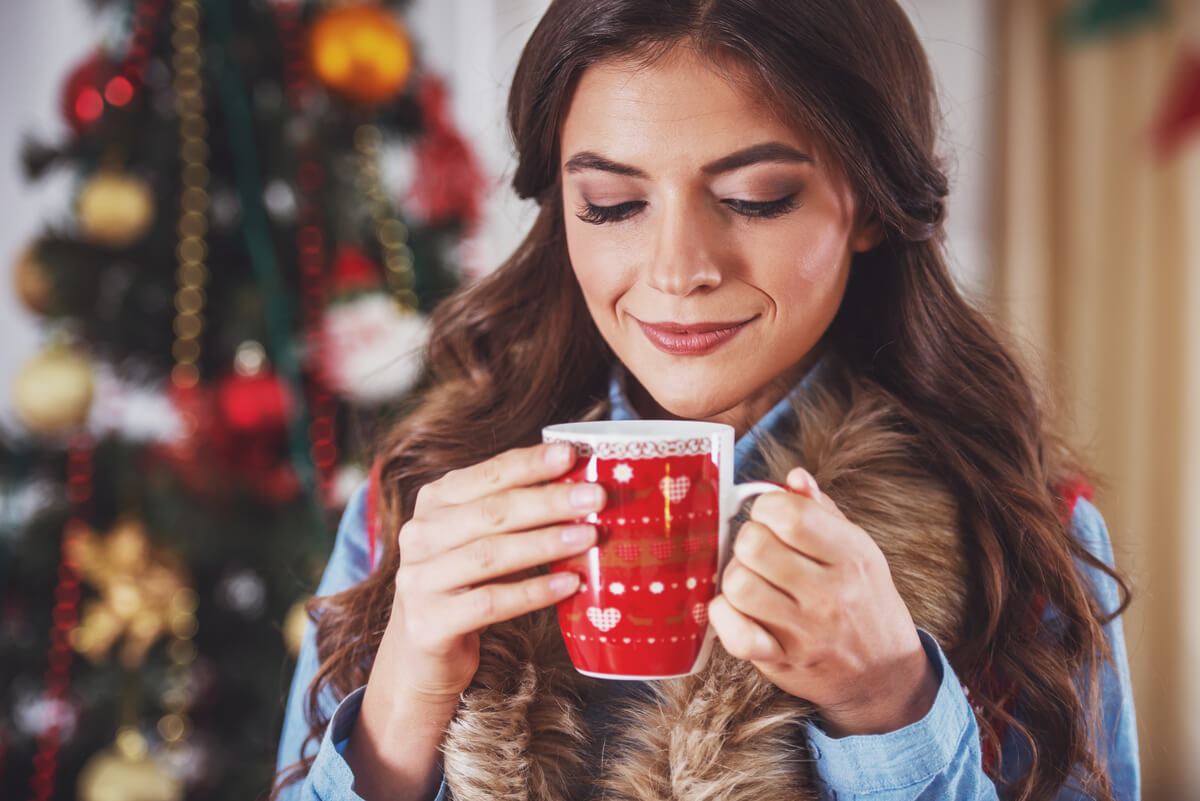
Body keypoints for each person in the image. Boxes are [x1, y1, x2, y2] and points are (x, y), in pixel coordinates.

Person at [272, 1, 1139, 799]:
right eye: (612, 205)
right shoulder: (416, 507)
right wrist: (407, 693)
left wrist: (891, 704)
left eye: (755, 198)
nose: (679, 269)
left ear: (871, 202)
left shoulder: (1021, 535)